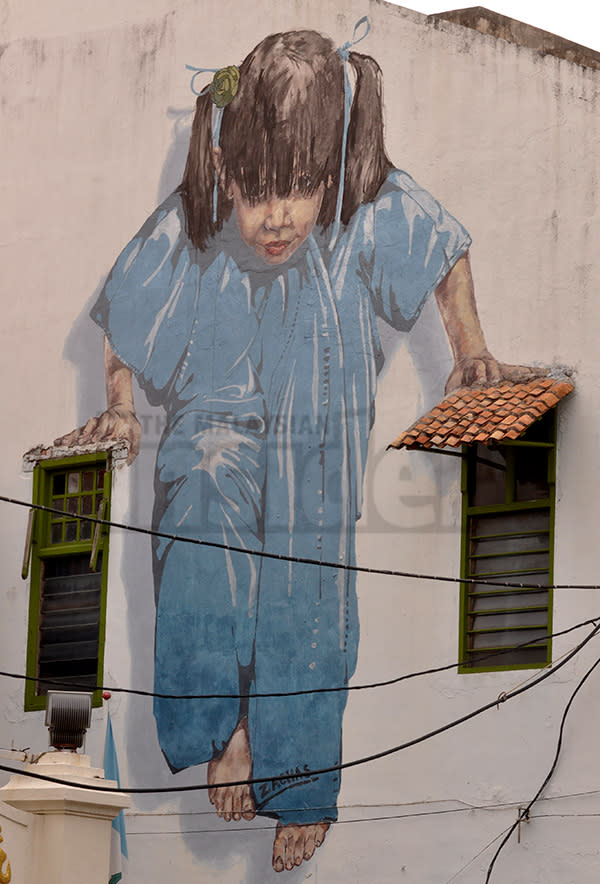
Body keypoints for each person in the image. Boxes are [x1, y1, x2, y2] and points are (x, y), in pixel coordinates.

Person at [57, 26, 531, 873]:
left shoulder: (362, 200)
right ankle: (224, 727)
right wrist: (121, 409)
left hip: (320, 428)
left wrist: (469, 350)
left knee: (306, 589)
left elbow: (442, 253)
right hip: (216, 413)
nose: (276, 218)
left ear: (330, 171)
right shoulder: (197, 215)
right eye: (256, 193)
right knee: (200, 508)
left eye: (299, 191)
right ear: (228, 172)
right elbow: (126, 311)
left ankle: (298, 780)